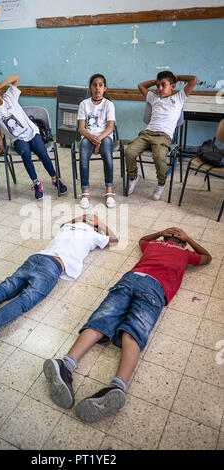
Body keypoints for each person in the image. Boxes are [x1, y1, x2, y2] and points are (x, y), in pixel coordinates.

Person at [43, 227, 211, 423]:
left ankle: (66, 364)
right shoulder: (185, 252)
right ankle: (117, 385)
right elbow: (206, 257)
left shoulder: (153, 244)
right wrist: (188, 237)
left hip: (130, 278)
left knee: (100, 321)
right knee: (133, 334)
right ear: (182, 244)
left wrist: (160, 233)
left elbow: (142, 239)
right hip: (155, 287)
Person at [0, 214, 118, 364]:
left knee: (5, 289)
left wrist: (81, 218)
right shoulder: (94, 235)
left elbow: (64, 222)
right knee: (25, 300)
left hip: (36, 258)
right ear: (94, 228)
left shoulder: (68, 227)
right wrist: (98, 221)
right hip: (53, 267)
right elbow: (115, 239)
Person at [0, 74, 67, 200]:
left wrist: (0, 85)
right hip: (17, 139)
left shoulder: (10, 97)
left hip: (32, 132)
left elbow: (16, 77)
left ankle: (55, 179)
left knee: (42, 153)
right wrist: (1, 147)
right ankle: (36, 183)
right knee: (25, 153)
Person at [125, 71, 198, 200]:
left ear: (173, 86)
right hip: (147, 133)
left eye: (163, 85)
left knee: (158, 155)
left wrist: (177, 77)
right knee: (129, 152)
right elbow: (140, 85)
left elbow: (194, 79)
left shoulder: (179, 97)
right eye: (158, 86)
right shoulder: (153, 98)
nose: (159, 89)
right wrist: (156, 81)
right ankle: (133, 177)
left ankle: (161, 183)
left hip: (164, 136)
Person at [77, 74, 116, 210]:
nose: (97, 88)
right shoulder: (84, 104)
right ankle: (85, 194)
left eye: (101, 85)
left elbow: (110, 127)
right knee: (83, 158)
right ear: (90, 88)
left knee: (107, 155)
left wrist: (98, 139)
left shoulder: (109, 105)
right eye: (95, 85)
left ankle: (109, 192)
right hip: (88, 136)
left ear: (105, 88)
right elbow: (81, 128)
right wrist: (92, 137)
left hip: (105, 136)